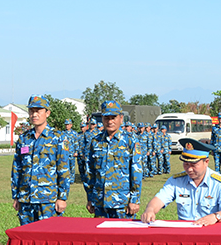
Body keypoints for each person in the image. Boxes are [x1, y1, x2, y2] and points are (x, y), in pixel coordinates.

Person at [11, 95, 71, 225]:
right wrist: (16, 195)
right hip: (26, 199)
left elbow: (64, 170)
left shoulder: (58, 138)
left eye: (38, 111)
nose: (34, 114)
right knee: (27, 239)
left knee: (49, 239)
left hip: (48, 200)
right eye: (32, 111)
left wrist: (62, 198)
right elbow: (17, 168)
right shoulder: (24, 139)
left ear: (47, 113)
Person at [142, 148, 221, 224]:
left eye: (194, 165)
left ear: (206, 162)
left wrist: (215, 217)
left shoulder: (219, 183)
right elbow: (159, 200)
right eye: (186, 164)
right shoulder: (176, 181)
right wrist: (150, 210)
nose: (189, 169)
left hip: (210, 231)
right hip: (185, 233)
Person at [85, 100, 143, 218]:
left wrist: (134, 200)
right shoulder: (95, 141)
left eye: (113, 117)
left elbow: (136, 172)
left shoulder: (130, 141)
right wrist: (90, 198)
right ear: (102, 119)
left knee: (123, 236)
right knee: (100, 236)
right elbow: (89, 172)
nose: (110, 121)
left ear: (121, 118)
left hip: (122, 203)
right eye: (107, 118)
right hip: (100, 202)